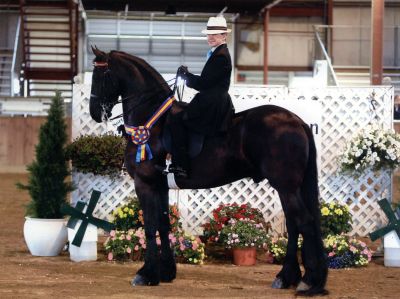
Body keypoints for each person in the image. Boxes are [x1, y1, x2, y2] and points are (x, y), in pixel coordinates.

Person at [168, 16, 234, 178]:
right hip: (212, 99)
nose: (210, 37)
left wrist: (186, 76)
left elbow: (204, 83)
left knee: (176, 119)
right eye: (209, 34)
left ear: (224, 36)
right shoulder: (217, 53)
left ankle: (181, 165)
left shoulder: (220, 56)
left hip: (212, 102)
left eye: (216, 34)